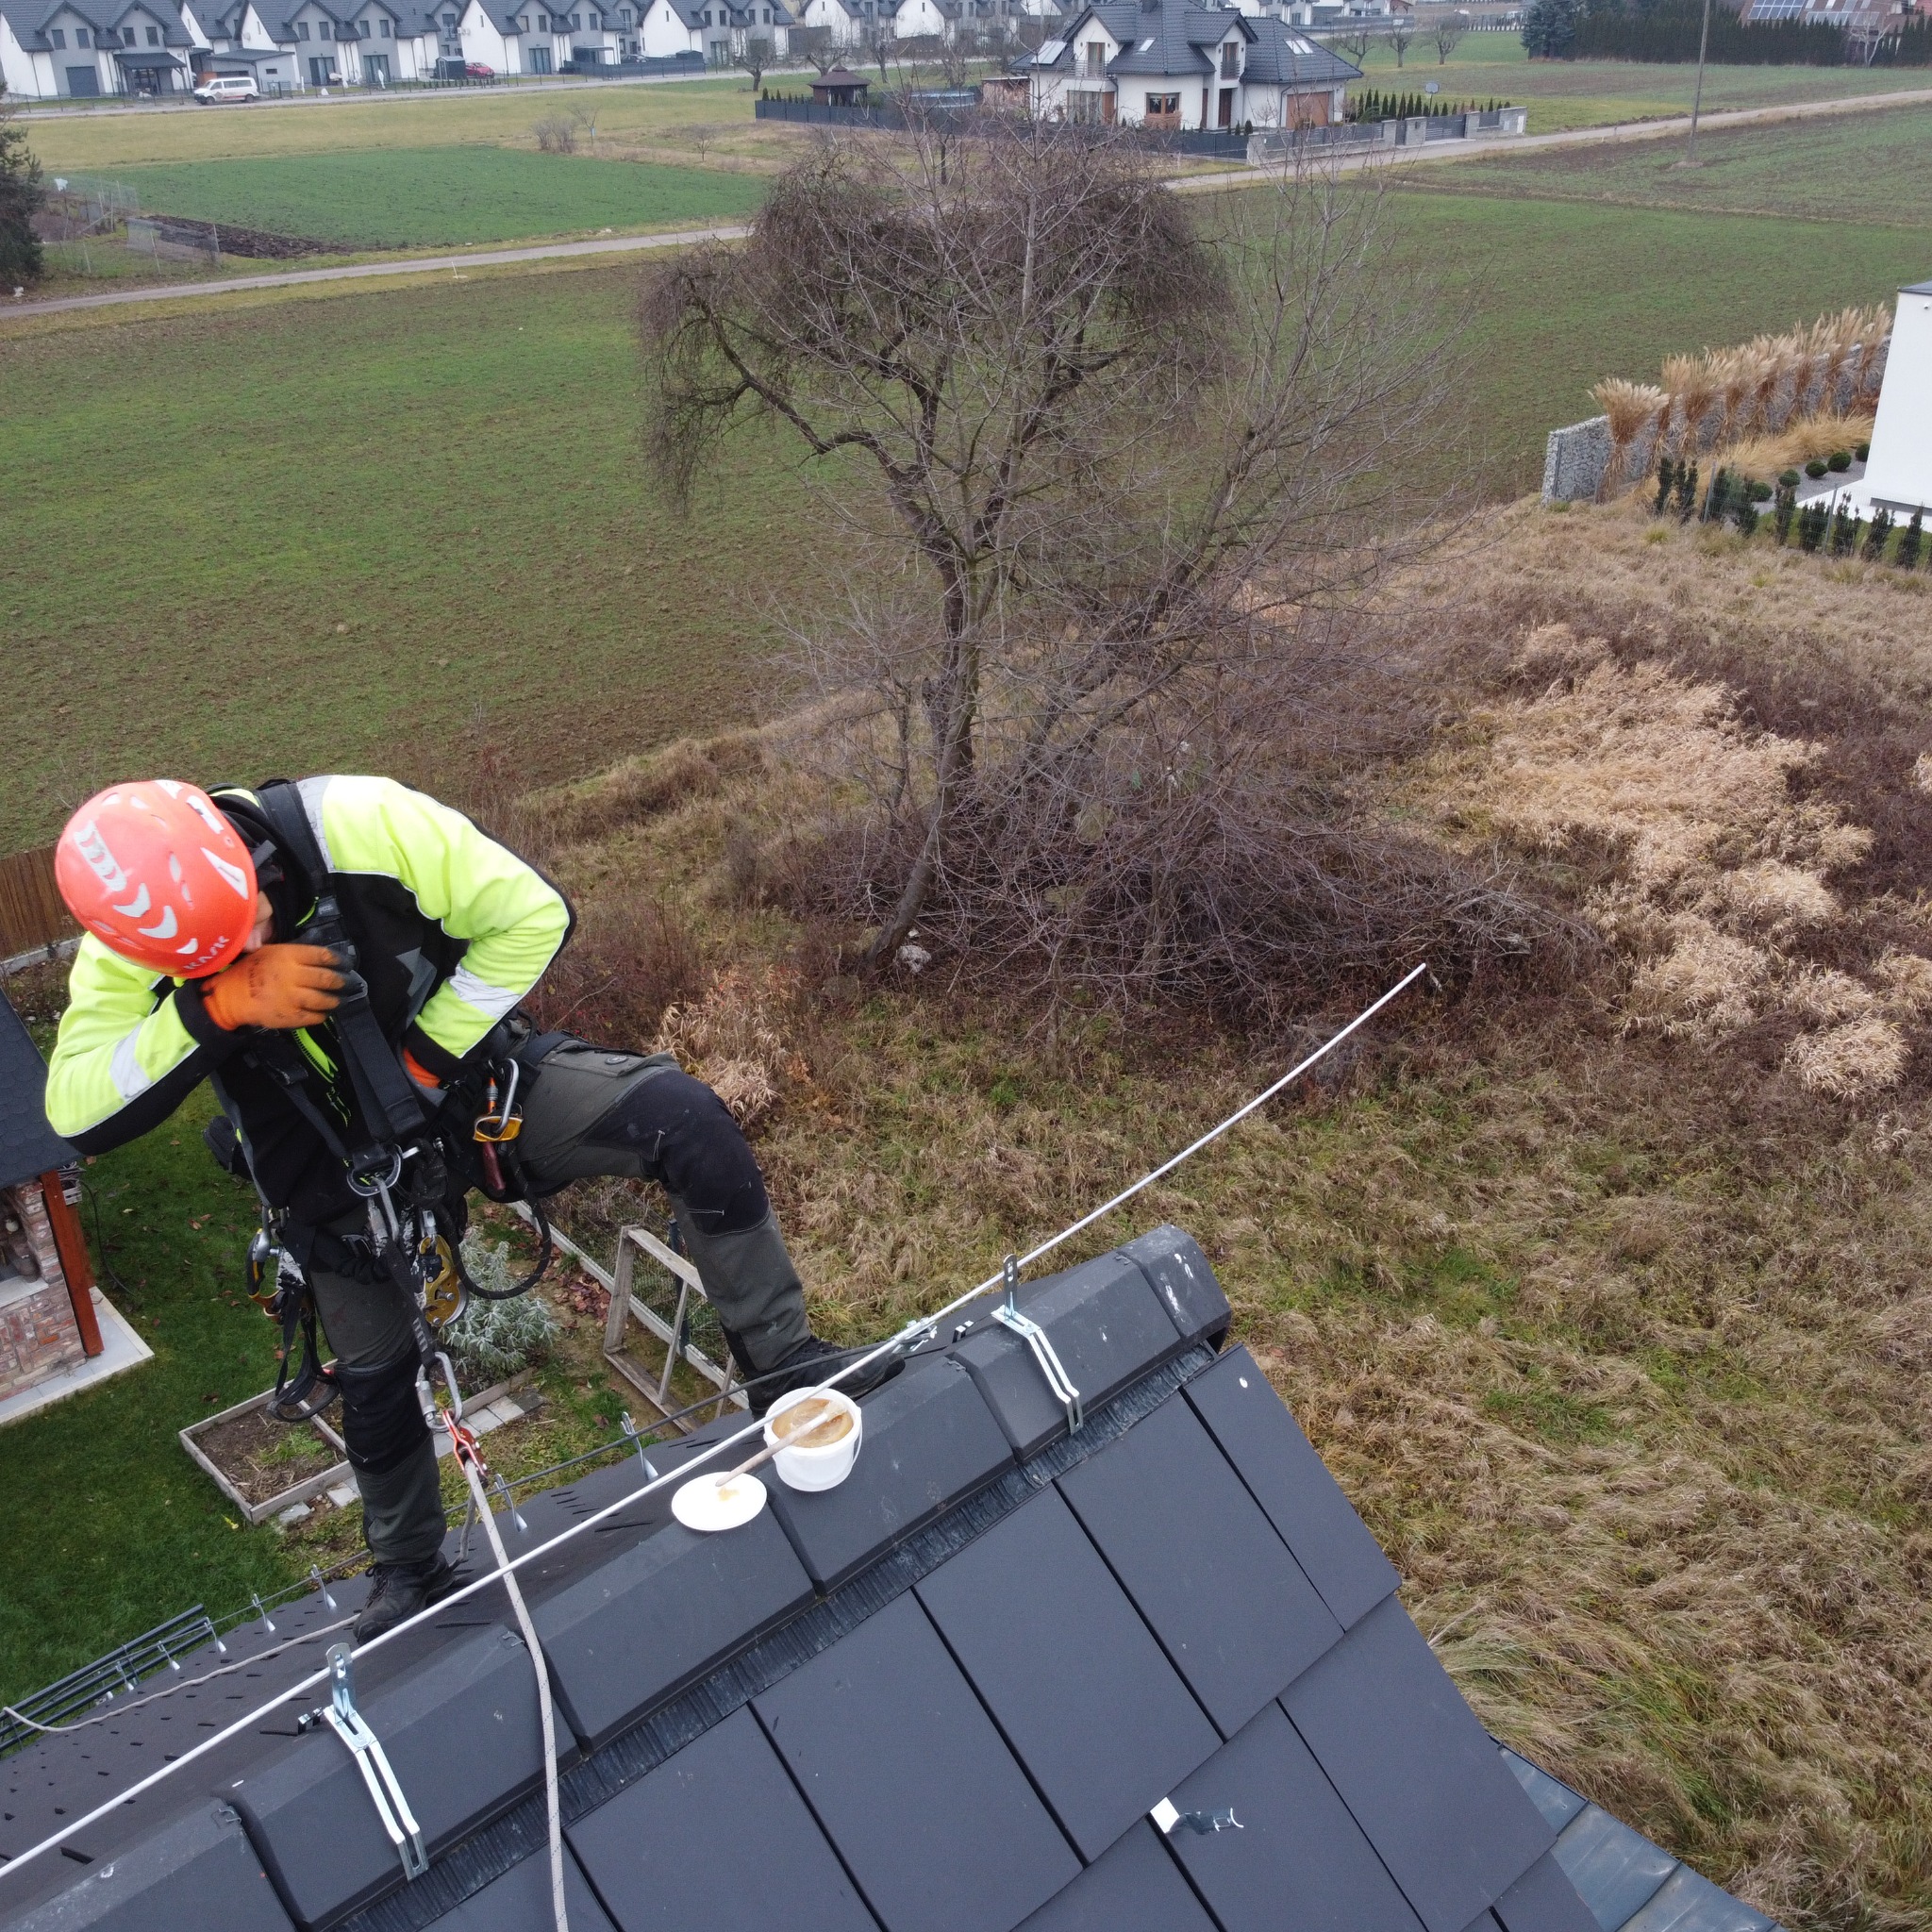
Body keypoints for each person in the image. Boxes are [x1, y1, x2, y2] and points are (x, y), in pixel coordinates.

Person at [45, 774, 883, 1640]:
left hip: (467, 1097)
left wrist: (422, 1063)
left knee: (687, 1123)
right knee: (373, 1377)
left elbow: (532, 914)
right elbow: (75, 1108)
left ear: (249, 857)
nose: (244, 949)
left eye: (249, 928)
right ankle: (407, 1567)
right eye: (212, 955)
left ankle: (784, 1369)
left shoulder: (359, 826)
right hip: (332, 1171)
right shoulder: (136, 941)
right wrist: (213, 1006)